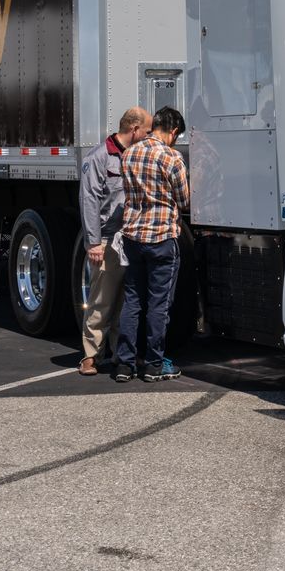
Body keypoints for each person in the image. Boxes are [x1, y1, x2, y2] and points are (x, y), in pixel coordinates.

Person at [113, 105, 190, 383]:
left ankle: (124, 364)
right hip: (161, 240)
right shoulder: (172, 158)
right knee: (159, 305)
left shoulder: (129, 153)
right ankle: (154, 365)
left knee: (132, 301)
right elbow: (184, 200)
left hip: (133, 238)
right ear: (173, 131)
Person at [76, 105, 151, 376]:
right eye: (146, 130)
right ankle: (90, 356)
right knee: (101, 300)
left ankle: (122, 355)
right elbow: (89, 200)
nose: (148, 135)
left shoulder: (136, 155)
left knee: (126, 303)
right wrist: (93, 242)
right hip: (107, 240)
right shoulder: (99, 157)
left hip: (131, 237)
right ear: (134, 129)